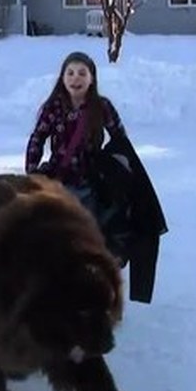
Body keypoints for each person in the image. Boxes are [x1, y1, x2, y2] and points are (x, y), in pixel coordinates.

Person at [25, 51, 129, 259]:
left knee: (87, 234)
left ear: (92, 79)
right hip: (58, 180)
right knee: (55, 232)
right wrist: (32, 172)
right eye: (70, 73)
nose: (76, 78)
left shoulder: (102, 106)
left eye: (82, 73)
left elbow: (120, 139)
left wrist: (119, 167)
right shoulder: (53, 107)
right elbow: (38, 137)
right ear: (62, 78)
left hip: (90, 182)